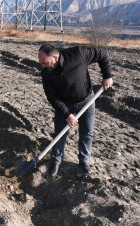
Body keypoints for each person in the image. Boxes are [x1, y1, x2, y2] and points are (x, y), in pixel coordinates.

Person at [38, 44, 113, 176]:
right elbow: (52, 97)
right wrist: (67, 114)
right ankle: (56, 160)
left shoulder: (78, 54)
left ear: (55, 57)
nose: (43, 66)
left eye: (45, 63)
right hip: (65, 104)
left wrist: (107, 75)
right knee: (60, 133)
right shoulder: (46, 73)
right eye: (41, 63)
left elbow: (102, 54)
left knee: (87, 132)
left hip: (86, 101)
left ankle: (84, 161)